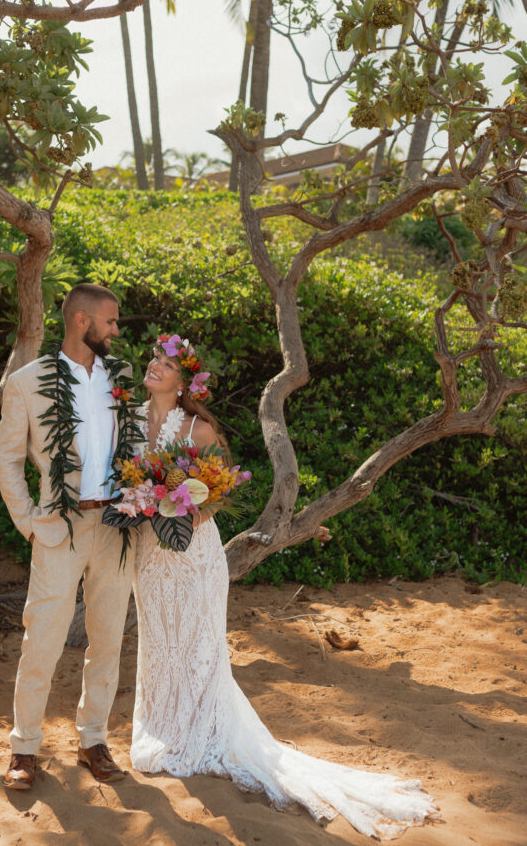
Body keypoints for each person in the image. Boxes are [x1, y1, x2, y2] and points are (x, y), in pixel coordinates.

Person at [130, 334, 438, 841]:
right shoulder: (131, 421)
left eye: (166, 363)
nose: (154, 366)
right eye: (153, 359)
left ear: (185, 380)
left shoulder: (199, 427)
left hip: (191, 553)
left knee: (196, 643)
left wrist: (177, 505)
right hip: (148, 553)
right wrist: (142, 501)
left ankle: (197, 734)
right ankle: (164, 729)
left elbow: (217, 494)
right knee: (159, 641)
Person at [0, 283, 135, 790]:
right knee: (43, 639)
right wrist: (28, 519)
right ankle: (24, 748)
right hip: (58, 528)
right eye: (111, 321)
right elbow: (7, 456)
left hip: (116, 528)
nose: (116, 330)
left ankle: (93, 739)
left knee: (108, 639)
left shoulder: (121, 377)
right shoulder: (28, 382)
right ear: (82, 321)